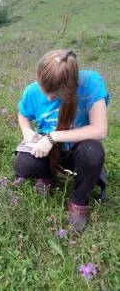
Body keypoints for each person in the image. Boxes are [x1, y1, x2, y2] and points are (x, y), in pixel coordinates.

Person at [14, 49, 109, 232]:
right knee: (23, 165)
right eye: (45, 91)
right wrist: (26, 131)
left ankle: (78, 201)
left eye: (55, 94)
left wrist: (53, 137)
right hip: (51, 150)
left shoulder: (91, 83)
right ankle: (48, 175)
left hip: (78, 149)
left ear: (70, 88)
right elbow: (23, 115)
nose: (49, 98)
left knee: (92, 152)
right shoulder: (32, 91)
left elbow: (100, 130)